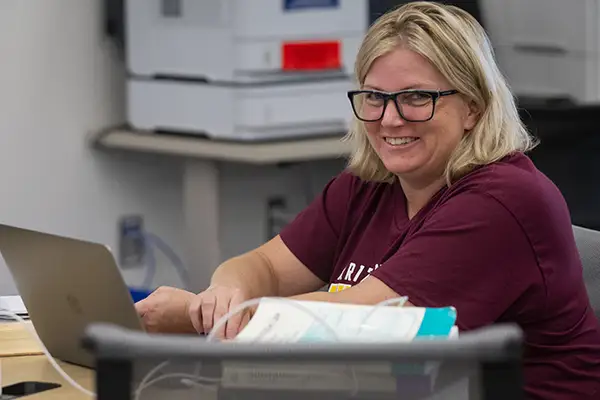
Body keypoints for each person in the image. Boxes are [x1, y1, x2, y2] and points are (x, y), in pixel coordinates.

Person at [134, 2, 600, 398]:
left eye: (417, 97)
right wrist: (222, 295)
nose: (390, 120)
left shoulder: (503, 202)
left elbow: (356, 326)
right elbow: (267, 267)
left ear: (473, 107)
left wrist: (196, 320)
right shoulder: (368, 187)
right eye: (375, 98)